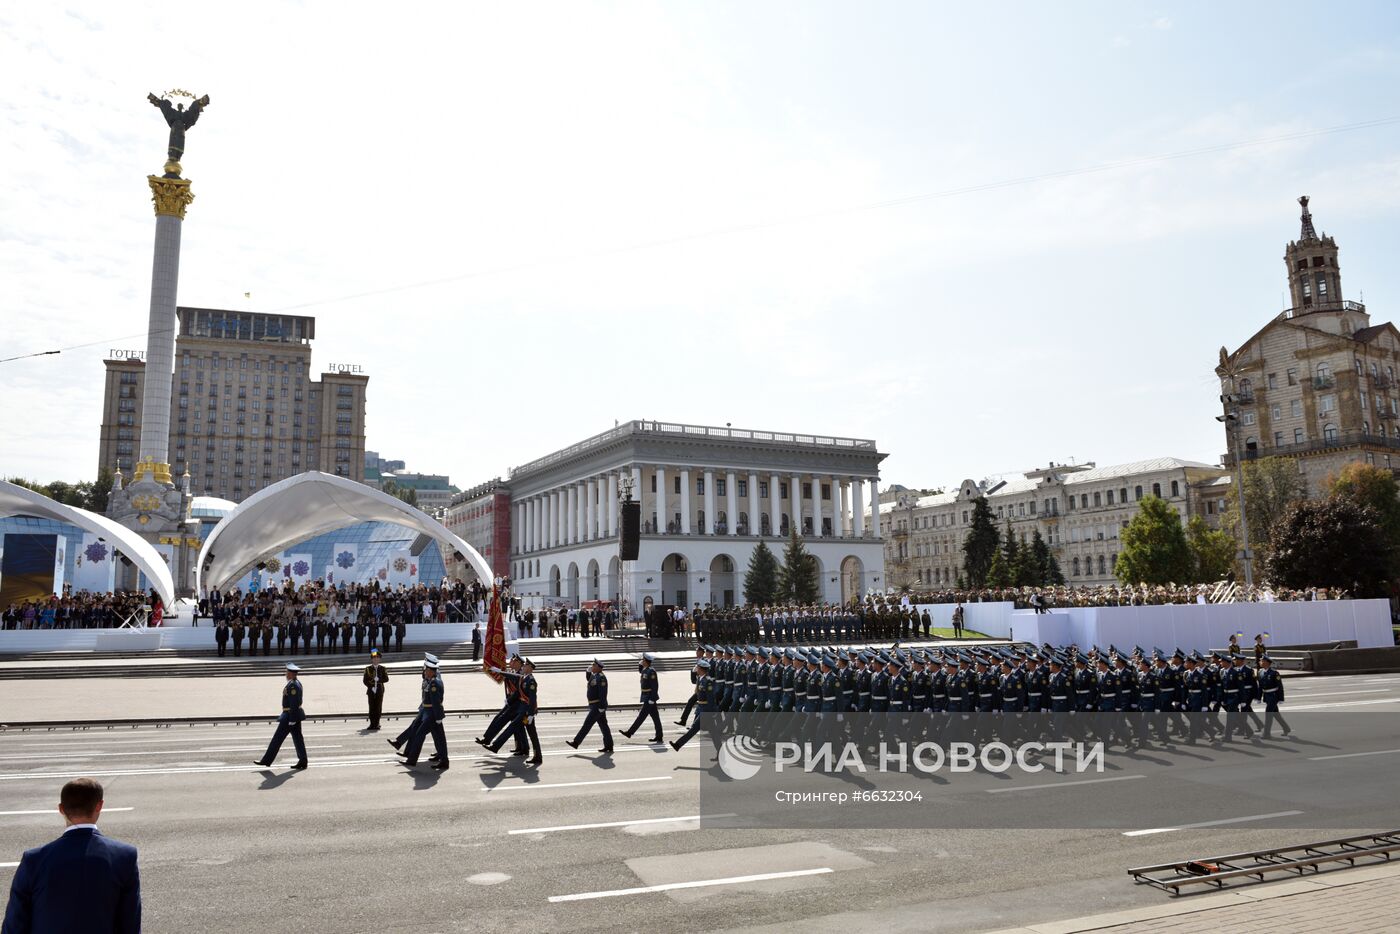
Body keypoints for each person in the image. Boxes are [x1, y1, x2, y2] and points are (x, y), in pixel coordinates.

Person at [1, 777, 141, 934]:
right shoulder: (124, 856)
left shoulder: (33, 859)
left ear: (61, 809)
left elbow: (14, 925)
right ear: (99, 805)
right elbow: (130, 924)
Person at [393, 654, 448, 770]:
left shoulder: (434, 683)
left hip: (432, 714)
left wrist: (438, 717)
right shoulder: (430, 680)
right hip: (430, 712)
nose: (425, 671)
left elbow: (436, 702)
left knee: (420, 734)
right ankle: (444, 761)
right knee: (439, 738)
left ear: (432, 671)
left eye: (427, 669)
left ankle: (412, 760)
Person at [253, 663, 308, 770]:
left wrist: (292, 719)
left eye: (287, 672)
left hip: (289, 716)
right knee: (298, 739)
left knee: (277, 739)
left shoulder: (293, 685)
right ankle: (303, 761)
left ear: (292, 673)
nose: (285, 674)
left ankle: (266, 760)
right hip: (294, 715)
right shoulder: (296, 683)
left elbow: (294, 703)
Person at [566, 659, 613, 754]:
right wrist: (587, 672)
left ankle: (576, 742)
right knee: (603, 725)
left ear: (599, 667)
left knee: (587, 724)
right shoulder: (595, 676)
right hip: (594, 705)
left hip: (598, 706)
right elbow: (589, 680)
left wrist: (601, 706)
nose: (592, 666)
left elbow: (603, 693)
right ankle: (609, 745)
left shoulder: (601, 678)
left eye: (594, 665)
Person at [620, 653, 662, 744]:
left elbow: (655, 686)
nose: (642, 661)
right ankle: (659, 736)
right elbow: (641, 671)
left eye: (643, 660)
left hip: (649, 696)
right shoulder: (645, 670)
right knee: (655, 717)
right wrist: (639, 664)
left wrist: (652, 698)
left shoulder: (651, 671)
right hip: (646, 696)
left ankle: (630, 732)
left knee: (641, 716)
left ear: (646, 662)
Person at [363, 648, 390, 731]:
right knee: (371, 707)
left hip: (379, 690)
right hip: (371, 690)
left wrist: (379, 680)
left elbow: (386, 679)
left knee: (378, 706)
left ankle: (377, 723)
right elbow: (365, 680)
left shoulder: (382, 668)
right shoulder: (368, 669)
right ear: (372, 659)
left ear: (379, 659)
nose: (376, 659)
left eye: (377, 658)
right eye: (374, 658)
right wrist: (371, 686)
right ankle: (372, 723)